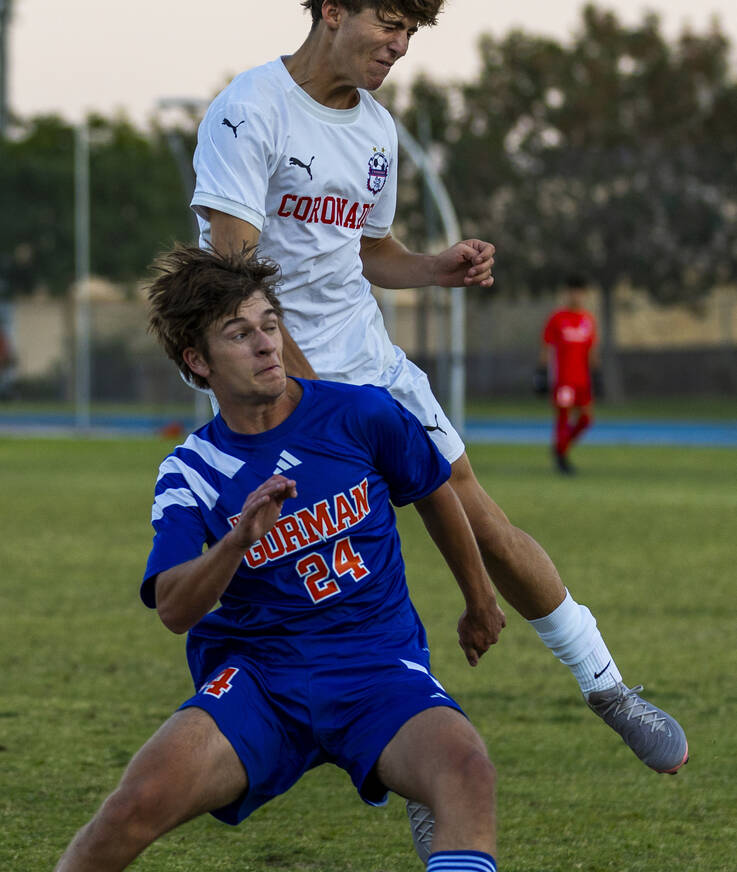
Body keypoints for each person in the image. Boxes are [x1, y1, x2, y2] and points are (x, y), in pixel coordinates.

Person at [190, 0, 687, 854]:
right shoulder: (248, 110)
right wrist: (302, 397)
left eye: (411, 31)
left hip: (373, 363)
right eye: (388, 22)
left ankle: (606, 685)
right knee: (339, 586)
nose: (399, 45)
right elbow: (234, 271)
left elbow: (366, 250)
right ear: (332, 8)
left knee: (477, 518)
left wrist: (433, 267)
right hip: (275, 380)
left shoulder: (376, 131)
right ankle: (412, 753)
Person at [54, 245, 499, 872]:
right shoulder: (192, 471)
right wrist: (236, 542)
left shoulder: (361, 413)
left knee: (467, 768)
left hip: (375, 666)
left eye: (270, 323)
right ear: (198, 362)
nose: (267, 344)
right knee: (133, 804)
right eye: (240, 334)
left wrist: (479, 601)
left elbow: (434, 492)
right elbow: (175, 608)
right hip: (261, 681)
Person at [535, 276, 602, 475]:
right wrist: (540, 374)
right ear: (567, 293)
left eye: (580, 291)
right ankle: (562, 458)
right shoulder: (557, 318)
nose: (576, 295)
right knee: (563, 419)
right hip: (563, 381)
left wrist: (597, 375)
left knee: (586, 419)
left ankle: (560, 448)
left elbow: (592, 350)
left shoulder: (587, 320)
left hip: (582, 380)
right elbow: (546, 347)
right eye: (573, 291)